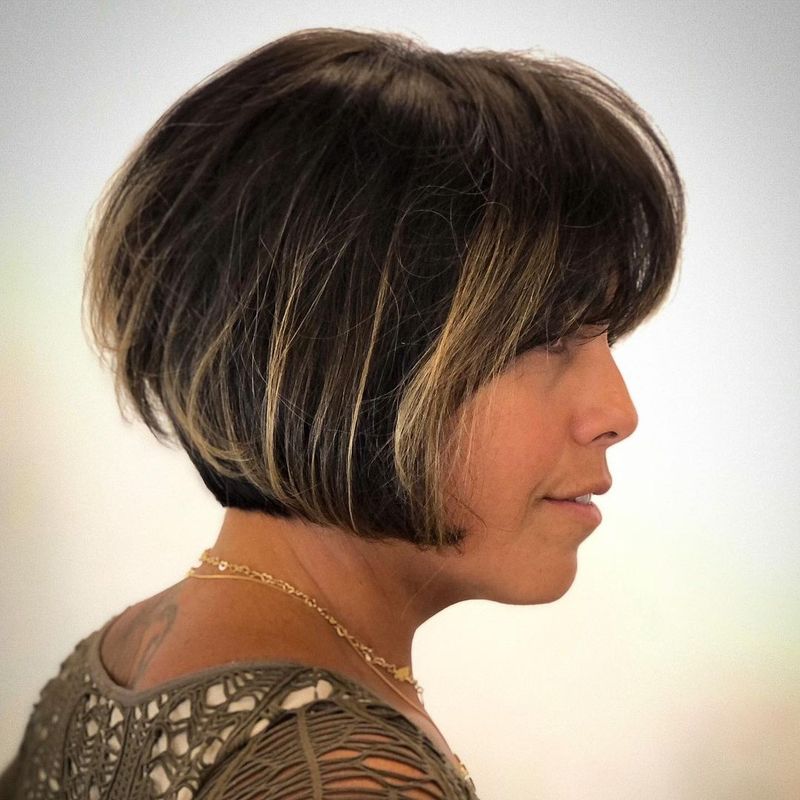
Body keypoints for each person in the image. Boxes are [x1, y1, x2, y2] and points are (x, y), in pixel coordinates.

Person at [1, 26, 685, 800]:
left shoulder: (119, 662)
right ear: (347, 358)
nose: (617, 411)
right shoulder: (347, 774)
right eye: (549, 340)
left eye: (606, 337)